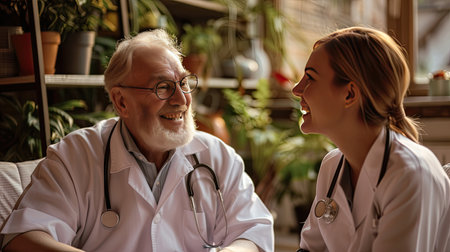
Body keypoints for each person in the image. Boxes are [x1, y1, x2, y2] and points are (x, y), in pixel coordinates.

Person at [0, 29, 274, 252]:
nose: (181, 100)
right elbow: (23, 238)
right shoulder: (76, 156)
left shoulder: (217, 156)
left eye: (184, 83)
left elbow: (254, 231)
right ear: (121, 101)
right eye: (163, 87)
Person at [292, 26, 450, 251]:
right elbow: (310, 249)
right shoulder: (333, 165)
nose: (296, 89)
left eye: (310, 78)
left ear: (349, 94)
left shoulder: (410, 173)